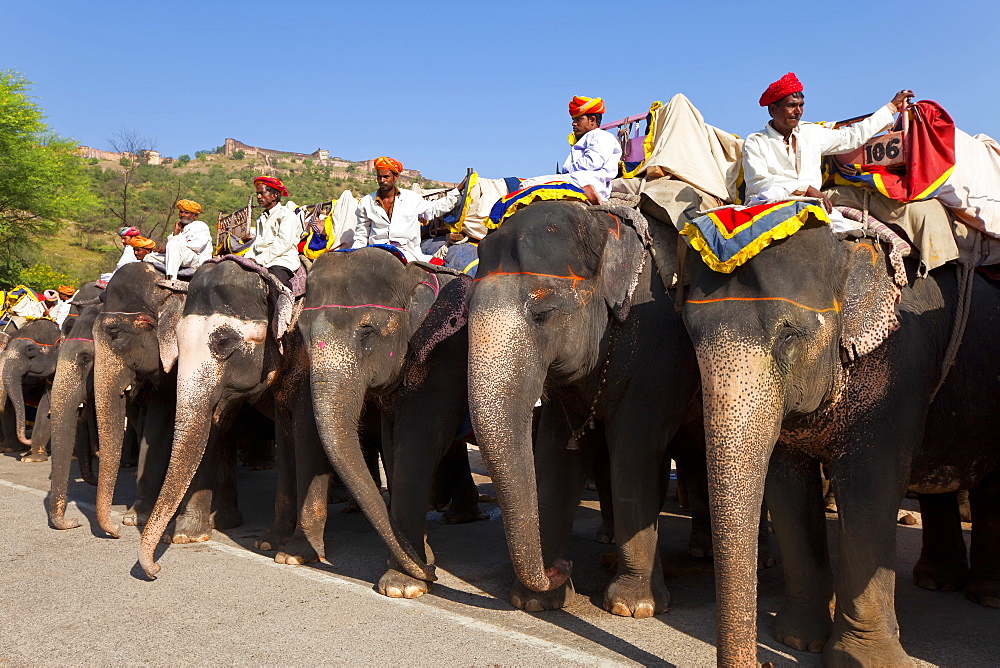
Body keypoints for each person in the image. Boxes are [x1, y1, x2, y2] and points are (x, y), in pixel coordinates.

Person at [742, 72, 913, 231]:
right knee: (774, 193)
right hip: (771, 204)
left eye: (801, 105)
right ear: (773, 110)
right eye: (792, 106)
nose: (798, 111)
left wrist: (890, 108)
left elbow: (852, 136)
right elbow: (758, 182)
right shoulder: (756, 141)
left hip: (813, 206)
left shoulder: (811, 133)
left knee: (851, 236)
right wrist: (805, 189)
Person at [353, 157, 466, 262]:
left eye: (386, 177)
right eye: (379, 177)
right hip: (376, 254)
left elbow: (434, 209)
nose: (382, 180)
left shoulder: (411, 198)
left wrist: (457, 191)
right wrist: (355, 256)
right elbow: (361, 234)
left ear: (395, 177)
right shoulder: (366, 202)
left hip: (407, 254)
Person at [517, 96, 623, 204]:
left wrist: (567, 169)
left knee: (526, 185)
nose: (574, 123)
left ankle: (587, 190)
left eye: (578, 119)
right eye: (573, 120)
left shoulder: (601, 136)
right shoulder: (588, 137)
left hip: (584, 180)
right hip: (578, 179)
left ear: (592, 120)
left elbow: (592, 162)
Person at [244, 176, 302, 289]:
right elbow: (257, 243)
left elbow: (283, 244)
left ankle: (285, 305)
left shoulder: (286, 215)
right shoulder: (261, 218)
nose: (258, 197)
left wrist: (258, 260)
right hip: (260, 259)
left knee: (275, 285)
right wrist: (248, 258)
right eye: (257, 194)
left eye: (262, 193)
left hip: (282, 260)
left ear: (274, 195)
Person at [164, 199, 213, 280]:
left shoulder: (200, 226)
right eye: (181, 212)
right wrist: (176, 232)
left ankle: (171, 280)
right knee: (149, 257)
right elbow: (171, 248)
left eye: (186, 213)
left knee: (173, 244)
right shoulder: (181, 228)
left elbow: (197, 247)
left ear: (195, 216)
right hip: (183, 257)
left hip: (197, 260)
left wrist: (175, 244)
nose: (183, 215)